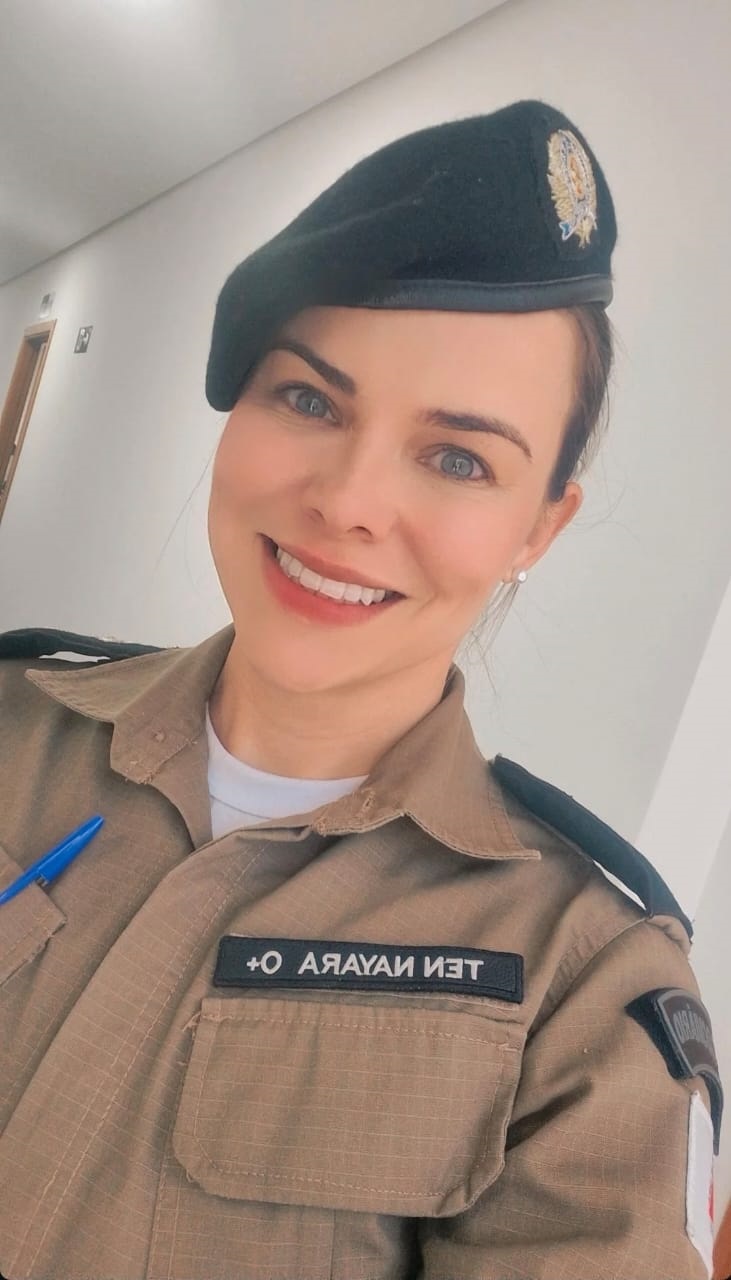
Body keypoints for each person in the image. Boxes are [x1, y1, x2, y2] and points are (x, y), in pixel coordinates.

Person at [0, 99, 721, 1280]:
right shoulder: (14, 720)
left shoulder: (583, 985)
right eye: (309, 399)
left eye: (456, 457)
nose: (346, 502)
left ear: (538, 527)